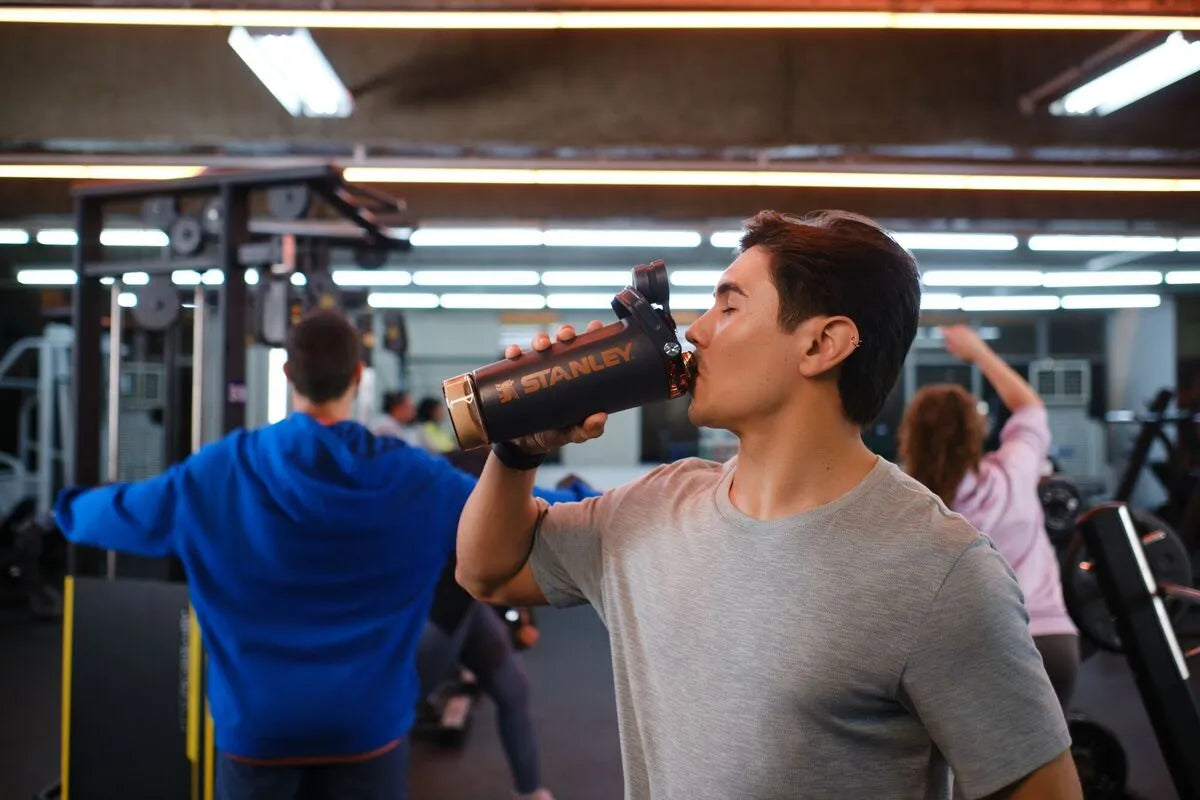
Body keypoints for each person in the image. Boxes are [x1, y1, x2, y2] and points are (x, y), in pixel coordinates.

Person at [456, 210, 1081, 800]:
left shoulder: (940, 572)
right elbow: (488, 571)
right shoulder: (651, 508)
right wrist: (517, 452)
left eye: (729, 307)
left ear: (821, 345)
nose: (696, 331)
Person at [54, 310, 492, 800]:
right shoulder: (420, 480)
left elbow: (108, 514)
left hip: (259, 732)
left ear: (287, 372)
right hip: (366, 729)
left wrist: (64, 509)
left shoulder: (215, 473)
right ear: (357, 375)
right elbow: (522, 514)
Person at [898, 325, 1081, 709]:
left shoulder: (907, 502)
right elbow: (1029, 407)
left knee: (971, 770)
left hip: (972, 648)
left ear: (910, 436)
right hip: (1052, 643)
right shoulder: (1013, 470)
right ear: (976, 431)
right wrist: (979, 353)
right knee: (1050, 768)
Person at [415, 448, 592, 800]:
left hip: (468, 603)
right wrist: (514, 623)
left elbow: (512, 550)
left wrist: (518, 619)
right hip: (435, 607)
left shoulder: (503, 462)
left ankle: (529, 792)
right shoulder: (458, 471)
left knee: (512, 688)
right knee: (396, 714)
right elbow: (487, 564)